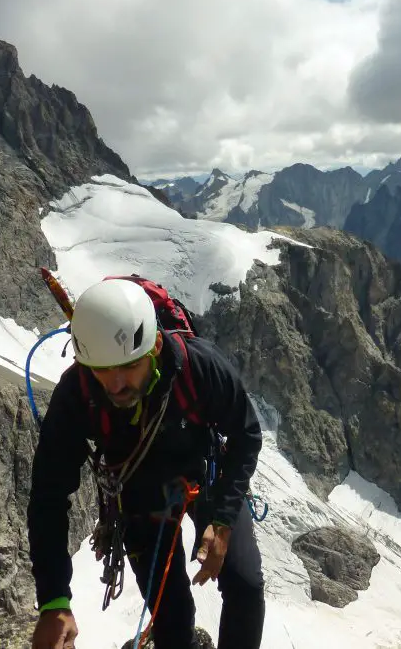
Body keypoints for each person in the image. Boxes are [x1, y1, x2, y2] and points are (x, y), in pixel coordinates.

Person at [27, 277, 265, 649]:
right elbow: (48, 495)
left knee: (245, 584)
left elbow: (246, 434)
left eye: (128, 366)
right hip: (139, 496)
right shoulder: (77, 395)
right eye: (101, 368)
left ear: (155, 345)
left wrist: (222, 522)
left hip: (206, 476)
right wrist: (54, 601)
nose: (115, 383)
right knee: (171, 620)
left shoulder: (198, 367)